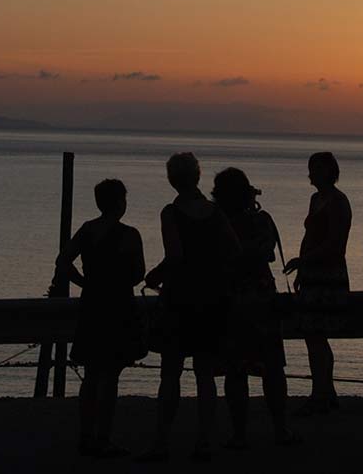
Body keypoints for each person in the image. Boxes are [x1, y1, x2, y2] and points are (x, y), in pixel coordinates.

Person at [141, 153, 238, 462]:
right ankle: (205, 441)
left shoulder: (171, 213)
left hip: (180, 299)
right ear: (197, 177)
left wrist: (154, 275)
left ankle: (161, 442)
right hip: (211, 299)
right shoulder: (214, 212)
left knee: (170, 373)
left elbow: (175, 256)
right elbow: (234, 249)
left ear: (172, 179)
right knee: (205, 374)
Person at [52, 179, 147, 458]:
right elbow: (138, 273)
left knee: (92, 375)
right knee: (111, 375)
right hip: (119, 306)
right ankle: (103, 438)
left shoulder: (88, 230)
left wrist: (84, 282)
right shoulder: (130, 235)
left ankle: (86, 436)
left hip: (92, 305)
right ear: (119, 202)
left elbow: (63, 261)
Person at [213, 167, 301, 448]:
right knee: (273, 368)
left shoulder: (217, 221)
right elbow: (268, 253)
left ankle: (239, 434)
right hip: (262, 300)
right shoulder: (262, 220)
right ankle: (280, 429)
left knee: (235, 371)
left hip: (230, 300)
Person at [284, 152, 351, 416]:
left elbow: (336, 245)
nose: (310, 173)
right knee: (314, 337)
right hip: (313, 275)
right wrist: (303, 268)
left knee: (316, 336)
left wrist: (303, 261)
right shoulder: (316, 199)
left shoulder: (338, 202)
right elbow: (309, 236)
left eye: (315, 168)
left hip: (328, 277)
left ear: (328, 171)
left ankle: (321, 394)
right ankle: (325, 392)